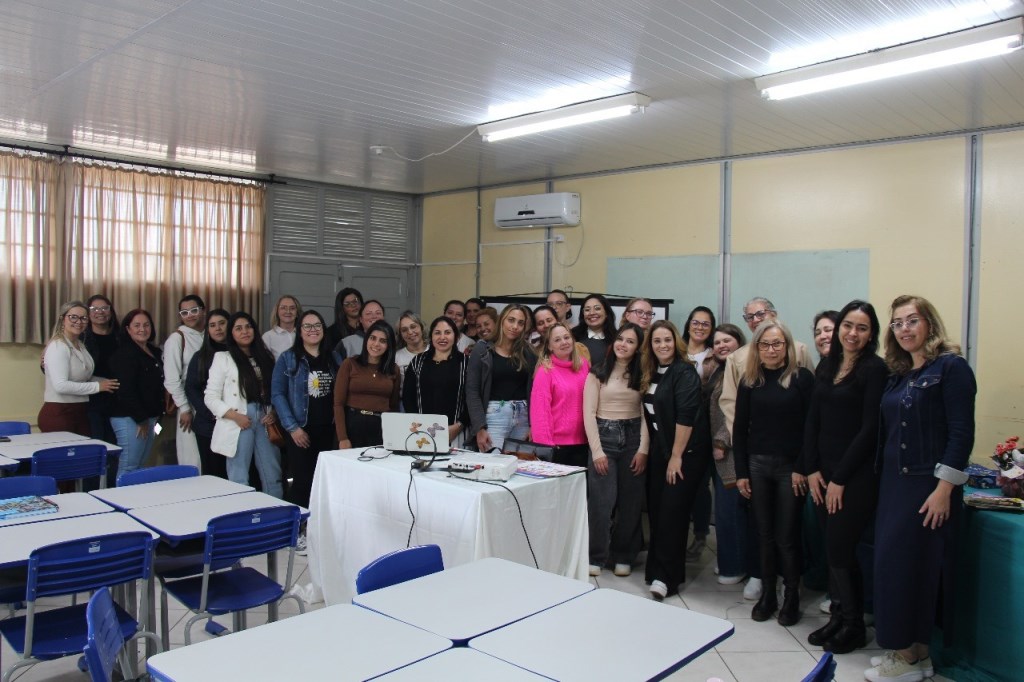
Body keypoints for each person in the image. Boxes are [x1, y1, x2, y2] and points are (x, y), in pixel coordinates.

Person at [864, 296, 975, 682]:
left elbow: (961, 434)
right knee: (896, 567)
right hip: (894, 484)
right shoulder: (899, 374)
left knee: (912, 569)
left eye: (912, 320)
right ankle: (914, 653)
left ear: (929, 323)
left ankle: (908, 658)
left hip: (928, 485)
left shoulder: (951, 368)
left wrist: (944, 489)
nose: (904, 329)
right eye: (897, 323)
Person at [801, 300, 887, 654]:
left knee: (841, 549)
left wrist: (839, 478)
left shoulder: (875, 369)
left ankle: (853, 625)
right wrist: (811, 468)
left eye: (862, 328)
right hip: (823, 474)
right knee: (831, 547)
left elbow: (870, 430)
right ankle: (838, 616)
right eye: (848, 325)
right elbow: (813, 420)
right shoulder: (828, 364)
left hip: (854, 477)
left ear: (871, 334)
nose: (853, 333)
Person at [733, 320, 815, 626]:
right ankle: (768, 595)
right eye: (765, 344)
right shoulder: (749, 380)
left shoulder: (802, 378)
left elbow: (812, 428)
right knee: (764, 534)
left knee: (787, 536)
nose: (771, 349)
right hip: (757, 466)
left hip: (790, 469)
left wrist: (802, 467)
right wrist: (741, 472)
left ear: (787, 346)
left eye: (777, 343)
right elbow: (739, 429)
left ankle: (791, 596)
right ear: (757, 347)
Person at [640, 320, 707, 601]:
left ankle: (667, 578)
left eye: (667, 340)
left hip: (684, 454)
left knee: (672, 515)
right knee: (657, 511)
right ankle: (657, 569)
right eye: (657, 341)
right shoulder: (652, 370)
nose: (663, 345)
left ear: (676, 341)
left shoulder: (684, 372)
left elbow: (686, 417)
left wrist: (677, 457)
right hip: (661, 449)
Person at [585, 322, 649, 578]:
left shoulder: (643, 373)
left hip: (633, 439)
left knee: (630, 503)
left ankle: (623, 555)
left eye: (631, 341)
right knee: (601, 503)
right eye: (621, 339)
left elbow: (646, 414)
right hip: (604, 438)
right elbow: (588, 413)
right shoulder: (598, 372)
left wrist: (643, 449)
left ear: (638, 347)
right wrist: (597, 452)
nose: (624, 344)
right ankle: (596, 556)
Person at [705, 323, 761, 596]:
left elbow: (738, 410)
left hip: (730, 452)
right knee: (727, 511)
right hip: (719, 454)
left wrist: (721, 441)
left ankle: (736, 566)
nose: (721, 346)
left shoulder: (744, 369)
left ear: (740, 342)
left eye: (727, 340)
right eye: (717, 342)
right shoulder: (720, 370)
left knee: (731, 512)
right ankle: (731, 561)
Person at [205, 312, 283, 498]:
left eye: (248, 327)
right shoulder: (223, 358)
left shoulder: (266, 357)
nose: (245, 331)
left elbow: (275, 390)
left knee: (273, 474)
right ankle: (242, 513)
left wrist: (274, 412)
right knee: (238, 476)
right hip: (239, 419)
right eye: (238, 328)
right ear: (231, 333)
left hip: (265, 417)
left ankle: (276, 511)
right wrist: (235, 416)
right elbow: (210, 397)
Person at [719, 296, 815, 438]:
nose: (755, 320)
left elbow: (811, 400)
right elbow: (730, 401)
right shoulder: (736, 358)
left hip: (795, 436)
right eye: (750, 317)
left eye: (760, 314)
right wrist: (742, 435)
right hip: (754, 437)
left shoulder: (799, 350)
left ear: (774, 315)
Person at [272, 310, 338, 508]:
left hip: (328, 430)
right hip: (300, 430)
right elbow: (277, 395)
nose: (313, 330)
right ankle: (299, 522)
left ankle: (318, 521)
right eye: (307, 326)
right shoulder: (288, 358)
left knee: (324, 482)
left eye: (317, 325)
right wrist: (293, 428)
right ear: (299, 331)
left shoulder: (334, 357)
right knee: (302, 482)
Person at [39, 301, 119, 435]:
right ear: (62, 319)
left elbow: (84, 377)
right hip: (60, 413)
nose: (79, 322)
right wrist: (97, 386)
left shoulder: (80, 345)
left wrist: (106, 382)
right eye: (73, 317)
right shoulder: (58, 346)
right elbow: (61, 386)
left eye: (83, 318)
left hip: (80, 411)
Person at [466, 304, 537, 452]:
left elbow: (535, 391)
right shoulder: (482, 349)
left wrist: (533, 424)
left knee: (521, 464)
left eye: (520, 323)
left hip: (523, 416)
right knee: (493, 463)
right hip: (493, 417)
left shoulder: (528, 351)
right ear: (501, 320)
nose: (515, 326)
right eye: (511, 320)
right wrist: (479, 427)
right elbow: (472, 391)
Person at [108, 309, 164, 479]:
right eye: (137, 325)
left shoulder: (154, 351)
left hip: (151, 418)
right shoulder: (124, 354)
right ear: (128, 329)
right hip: (131, 419)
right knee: (129, 466)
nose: (142, 329)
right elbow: (125, 391)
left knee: (140, 466)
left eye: (146, 325)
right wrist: (141, 419)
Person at [682, 305, 717, 560]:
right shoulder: (676, 350)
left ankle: (700, 535)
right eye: (696, 322)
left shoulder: (715, 356)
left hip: (704, 428)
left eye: (705, 324)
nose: (700, 327)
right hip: (676, 426)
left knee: (700, 486)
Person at [530, 322, 590, 467]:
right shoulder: (545, 371)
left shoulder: (583, 365)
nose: (564, 342)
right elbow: (540, 413)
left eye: (566, 337)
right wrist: (546, 447)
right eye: (557, 340)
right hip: (556, 445)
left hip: (584, 442)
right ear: (549, 346)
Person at [333, 320, 400, 448]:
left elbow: (393, 406)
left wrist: (392, 436)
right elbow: (338, 404)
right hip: (352, 426)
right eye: (372, 338)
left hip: (380, 429)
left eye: (383, 341)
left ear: (389, 345)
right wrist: (342, 437)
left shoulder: (393, 370)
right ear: (366, 340)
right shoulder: (349, 364)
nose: (376, 344)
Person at [402, 316, 467, 446]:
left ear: (455, 336)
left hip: (455, 433)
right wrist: (418, 425)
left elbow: (473, 399)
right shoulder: (417, 362)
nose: (442, 337)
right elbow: (408, 398)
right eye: (437, 333)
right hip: (422, 433)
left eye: (447, 332)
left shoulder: (466, 363)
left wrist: (459, 425)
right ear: (431, 336)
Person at [185, 308, 230, 479]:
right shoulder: (200, 356)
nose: (218, 328)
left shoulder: (240, 353)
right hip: (209, 425)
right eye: (212, 325)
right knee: (213, 475)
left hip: (237, 423)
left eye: (222, 323)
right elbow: (191, 388)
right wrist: (209, 411)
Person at [163, 294, 207, 470]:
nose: (190, 315)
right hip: (189, 404)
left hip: (212, 402)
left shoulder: (210, 335)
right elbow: (172, 380)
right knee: (192, 455)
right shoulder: (176, 339)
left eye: (194, 310)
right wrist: (185, 408)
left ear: (203, 311)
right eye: (184, 312)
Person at [82, 294, 119, 443]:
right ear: (88, 313)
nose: (100, 312)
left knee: (117, 446)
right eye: (94, 308)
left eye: (104, 308)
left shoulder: (121, 337)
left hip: (118, 401)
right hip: (92, 401)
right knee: (98, 443)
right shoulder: (81, 339)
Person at [572, 294, 616, 370]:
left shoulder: (617, 338)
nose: (592, 313)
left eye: (597, 308)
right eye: (587, 310)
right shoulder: (572, 336)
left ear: (606, 313)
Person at [262, 295, 301, 360]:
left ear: (297, 313)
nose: (288, 311)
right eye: (283, 308)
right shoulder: (268, 337)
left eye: (292, 308)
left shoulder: (304, 334)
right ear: (277, 312)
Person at [395, 311, 428, 381]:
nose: (410, 332)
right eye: (404, 330)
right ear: (400, 334)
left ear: (421, 327)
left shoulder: (435, 351)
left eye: (413, 327)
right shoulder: (397, 358)